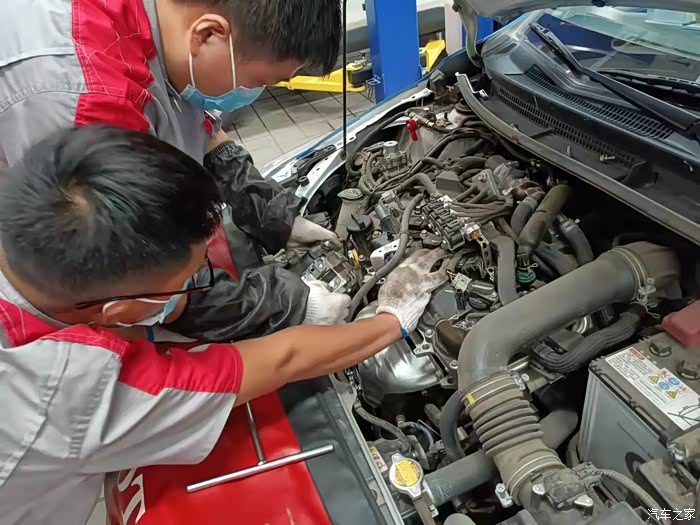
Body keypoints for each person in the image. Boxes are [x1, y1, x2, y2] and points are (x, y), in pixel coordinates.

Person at [0, 126, 447, 525]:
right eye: (187, 283)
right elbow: (281, 360)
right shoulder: (73, 390)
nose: (197, 285)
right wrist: (392, 319)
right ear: (115, 311)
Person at [0, 0, 349, 338]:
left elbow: (200, 126)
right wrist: (287, 306)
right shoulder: (88, 101)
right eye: (260, 82)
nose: (255, 92)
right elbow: (141, 279)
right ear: (208, 34)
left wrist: (271, 212)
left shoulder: (168, 30)